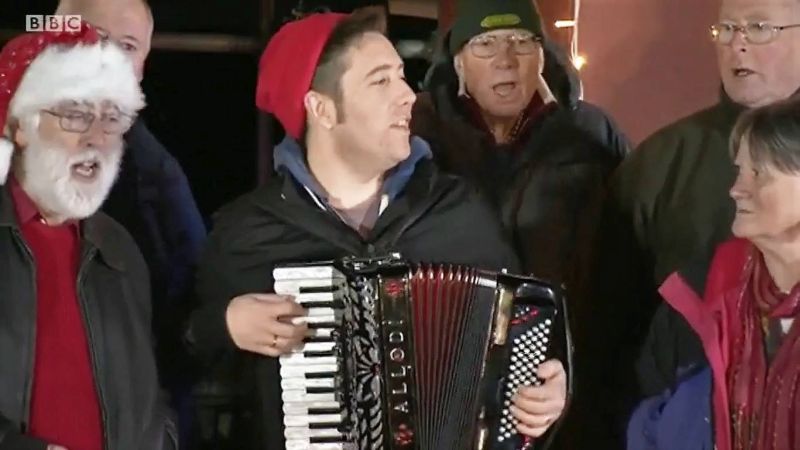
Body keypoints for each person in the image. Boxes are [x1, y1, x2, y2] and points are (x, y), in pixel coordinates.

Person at [186, 11, 568, 450]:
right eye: (381, 81)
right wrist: (224, 325)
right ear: (322, 109)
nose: (408, 95)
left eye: (403, 77)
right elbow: (180, 361)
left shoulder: (460, 211)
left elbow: (523, 346)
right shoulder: (248, 233)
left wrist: (549, 396)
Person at [411, 0, 628, 448]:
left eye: (521, 43)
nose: (505, 59)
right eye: (485, 44)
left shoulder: (590, 135)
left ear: (543, 55)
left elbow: (626, 256)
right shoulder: (418, 134)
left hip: (568, 377)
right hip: (443, 379)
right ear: (458, 62)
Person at [593, 0, 800, 440]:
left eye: (758, 28)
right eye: (725, 30)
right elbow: (609, 329)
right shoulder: (660, 162)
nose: (737, 46)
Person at [0, 23, 176, 450]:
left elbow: (149, 397)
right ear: (22, 126)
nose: (96, 137)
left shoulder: (119, 249)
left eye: (112, 117)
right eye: (75, 114)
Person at [628, 98, 800, 450]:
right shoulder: (702, 290)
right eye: (740, 170)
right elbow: (648, 413)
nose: (737, 189)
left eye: (759, 174)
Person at [55, 0, 207, 390]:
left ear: (142, 65)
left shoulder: (158, 180)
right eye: (94, 37)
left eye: (127, 47)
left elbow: (192, 318)